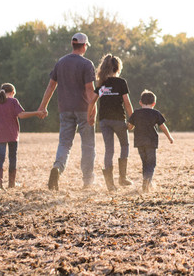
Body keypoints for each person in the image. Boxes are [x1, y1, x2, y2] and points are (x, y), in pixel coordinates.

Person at [38, 32, 96, 190]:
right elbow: (90, 89)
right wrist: (94, 109)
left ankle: (57, 168)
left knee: (64, 143)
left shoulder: (60, 63)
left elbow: (51, 86)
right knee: (88, 145)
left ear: (72, 45)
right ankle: (87, 181)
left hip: (65, 109)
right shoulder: (87, 64)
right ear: (84, 46)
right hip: (84, 109)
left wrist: (43, 106)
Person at [86, 54, 134, 191]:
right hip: (118, 120)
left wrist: (89, 116)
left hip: (104, 121)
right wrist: (132, 120)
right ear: (117, 68)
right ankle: (122, 178)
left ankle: (110, 183)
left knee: (109, 149)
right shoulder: (121, 82)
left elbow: (92, 102)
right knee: (125, 145)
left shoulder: (102, 84)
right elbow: (127, 103)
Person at [0, 83, 45, 189]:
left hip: (0, 135)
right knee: (12, 158)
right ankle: (11, 184)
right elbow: (21, 115)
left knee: (0, 157)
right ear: (12, 93)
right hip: (12, 135)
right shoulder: (13, 101)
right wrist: (37, 113)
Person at [127, 89, 173, 192]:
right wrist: (169, 137)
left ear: (140, 102)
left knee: (145, 163)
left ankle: (146, 181)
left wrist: (127, 126)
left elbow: (130, 126)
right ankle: (147, 182)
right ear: (154, 103)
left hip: (139, 142)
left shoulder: (136, 113)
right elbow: (163, 127)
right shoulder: (155, 113)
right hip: (151, 142)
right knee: (151, 163)